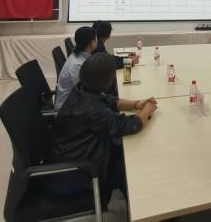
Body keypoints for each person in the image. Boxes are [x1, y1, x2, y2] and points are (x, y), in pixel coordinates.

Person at [49, 53, 157, 207]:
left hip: (74, 153)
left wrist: (137, 105)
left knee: (126, 154)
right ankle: (142, 208)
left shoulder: (82, 89)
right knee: (130, 167)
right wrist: (148, 109)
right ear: (107, 81)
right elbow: (126, 125)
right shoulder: (92, 110)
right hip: (73, 173)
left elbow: (109, 100)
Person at [55, 26, 98, 109]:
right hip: (68, 109)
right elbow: (86, 93)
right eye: (96, 39)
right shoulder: (77, 65)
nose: (97, 41)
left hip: (75, 102)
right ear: (92, 43)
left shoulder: (78, 56)